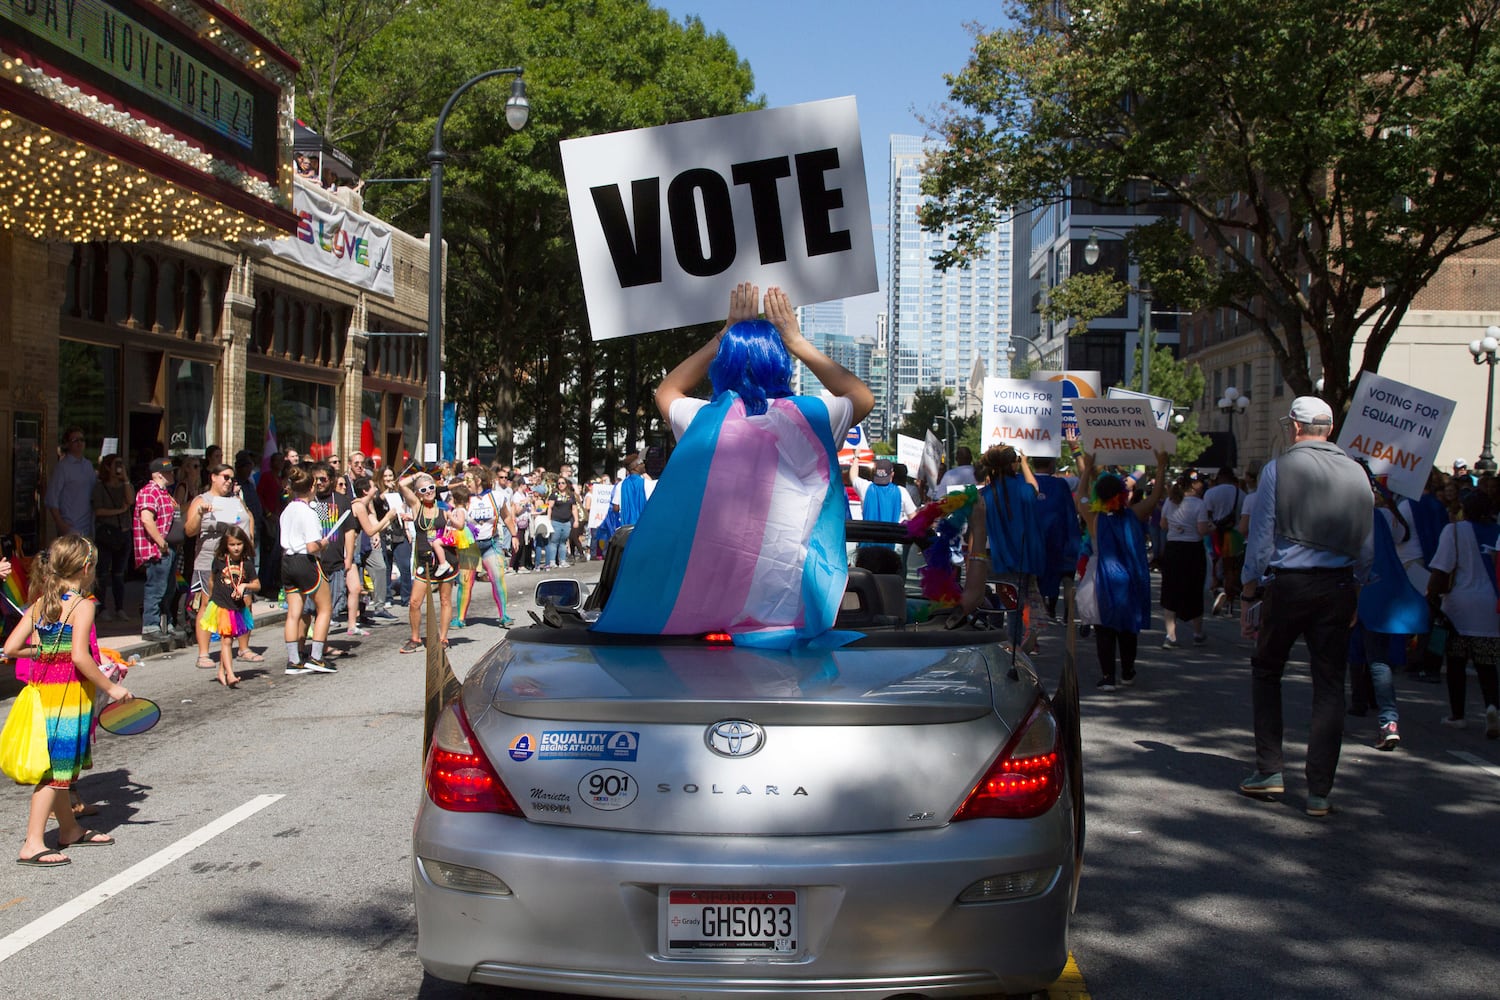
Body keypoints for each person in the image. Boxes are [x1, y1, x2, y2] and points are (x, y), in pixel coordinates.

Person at [593, 282, 874, 638]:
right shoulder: (814, 418)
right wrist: (797, 341)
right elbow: (862, 396)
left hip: (702, 623)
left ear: (724, 364)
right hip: (789, 622)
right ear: (780, 363)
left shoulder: (704, 422)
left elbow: (666, 390)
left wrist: (722, 335)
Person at [1239, 396, 1374, 817]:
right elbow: (1367, 545)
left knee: (1267, 670)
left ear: (1295, 427)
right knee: (1330, 685)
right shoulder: (1357, 472)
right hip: (1337, 586)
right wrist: (1358, 589)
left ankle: (1270, 769)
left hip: (1290, 585)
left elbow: (1261, 539)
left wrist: (1248, 593)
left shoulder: (1278, 468)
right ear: (1329, 429)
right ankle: (1319, 789)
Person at [3, 535, 133, 867]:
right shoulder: (82, 605)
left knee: (59, 768)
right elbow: (81, 656)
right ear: (87, 567)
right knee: (54, 772)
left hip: (42, 694)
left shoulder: (41, 603)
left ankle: (70, 829)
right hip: (68, 697)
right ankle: (32, 843)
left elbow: (11, 648)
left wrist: (46, 650)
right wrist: (113, 689)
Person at [1074, 439, 1170, 689]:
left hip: (1102, 579)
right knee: (1128, 627)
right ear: (1122, 493)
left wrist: (1087, 468)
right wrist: (1160, 467)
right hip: (1130, 578)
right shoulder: (1135, 514)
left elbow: (1081, 497)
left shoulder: (1094, 519)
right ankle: (1128, 671)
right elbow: (1157, 495)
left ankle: (1108, 677)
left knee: (1104, 627)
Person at [1430, 490, 1500, 738]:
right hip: (1491, 608)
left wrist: (1430, 598)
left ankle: (1457, 715)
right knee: (1487, 665)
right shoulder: (1498, 532)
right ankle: (1492, 707)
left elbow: (1441, 569)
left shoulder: (1455, 531)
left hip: (1458, 608)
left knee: (1456, 663)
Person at [186, 463, 257, 667]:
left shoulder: (236, 500)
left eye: (231, 478)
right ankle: (204, 654)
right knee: (208, 605)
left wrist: (250, 538)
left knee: (244, 602)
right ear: (213, 477)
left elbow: (249, 516)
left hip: (237, 562)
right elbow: (189, 531)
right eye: (225, 477)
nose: (228, 481)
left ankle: (244, 648)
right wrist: (200, 513)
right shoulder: (202, 500)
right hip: (209, 560)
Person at [980, 445, 1045, 650]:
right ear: (1013, 464)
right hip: (1022, 556)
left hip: (995, 556)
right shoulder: (1023, 490)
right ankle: (1015, 648)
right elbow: (1034, 488)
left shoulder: (983, 495)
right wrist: (1026, 464)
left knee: (1001, 602)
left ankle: (999, 643)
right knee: (1017, 605)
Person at [278, 466, 335, 675]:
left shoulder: (287, 510)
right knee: (324, 608)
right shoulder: (308, 512)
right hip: (306, 560)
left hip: (287, 560)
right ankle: (316, 657)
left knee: (293, 613)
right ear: (312, 487)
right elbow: (312, 546)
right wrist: (324, 543)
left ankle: (294, 660)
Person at [398, 472, 457, 653]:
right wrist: (419, 474)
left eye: (431, 487)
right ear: (418, 493)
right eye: (424, 489)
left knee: (445, 600)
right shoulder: (417, 506)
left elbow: (459, 526)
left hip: (445, 560)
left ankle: (443, 638)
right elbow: (401, 485)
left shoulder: (444, 509)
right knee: (415, 602)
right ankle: (415, 638)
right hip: (424, 561)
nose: (429, 491)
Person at [196, 525, 259, 688]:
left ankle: (221, 672)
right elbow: (211, 579)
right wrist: (210, 598)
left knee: (230, 638)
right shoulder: (219, 561)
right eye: (232, 544)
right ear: (226, 545)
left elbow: (257, 584)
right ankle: (230, 674)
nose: (236, 548)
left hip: (237, 606)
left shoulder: (247, 564)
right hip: (221, 605)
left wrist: (245, 587)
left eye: (239, 544)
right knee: (227, 639)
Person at [1159, 474, 1210, 647]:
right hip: (1192, 549)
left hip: (1173, 548)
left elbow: (1163, 525)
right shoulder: (1199, 504)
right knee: (1194, 588)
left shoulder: (1170, 501)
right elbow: (1202, 529)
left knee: (1170, 589)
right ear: (1194, 485)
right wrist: (1211, 527)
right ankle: (1197, 632)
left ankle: (1170, 635)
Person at [1030, 455, 1082, 622]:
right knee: (1066, 578)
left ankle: (1042, 613)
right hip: (1058, 540)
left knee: (1036, 580)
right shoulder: (1060, 485)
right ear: (1052, 464)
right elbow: (1069, 513)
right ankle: (1068, 614)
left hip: (1034, 541)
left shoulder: (1025, 483)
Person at [134, 458, 178, 641]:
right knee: (156, 588)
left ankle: (165, 623)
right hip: (156, 549)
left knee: (168, 588)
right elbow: (146, 519)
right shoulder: (148, 492)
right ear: (159, 474)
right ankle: (150, 626)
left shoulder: (164, 492)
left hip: (167, 547)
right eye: (169, 471)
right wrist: (161, 542)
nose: (173, 474)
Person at [91, 453, 134, 622]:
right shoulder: (100, 486)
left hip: (123, 532)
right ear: (108, 467)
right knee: (102, 573)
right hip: (106, 533)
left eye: (121, 464)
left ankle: (120, 607)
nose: (119, 467)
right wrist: (119, 511)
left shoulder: (124, 485)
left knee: (118, 573)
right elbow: (98, 511)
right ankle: (102, 608)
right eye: (116, 464)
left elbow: (130, 500)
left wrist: (125, 479)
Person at [1203, 467, 1246, 616]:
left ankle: (1216, 589)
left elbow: (1207, 514)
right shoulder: (1241, 494)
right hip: (1234, 534)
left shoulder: (1211, 493)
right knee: (1231, 568)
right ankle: (1230, 601)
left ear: (1219, 478)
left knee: (1214, 564)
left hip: (1214, 534)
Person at [45, 426, 95, 540]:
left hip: (89, 526)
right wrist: (61, 524)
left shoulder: (88, 465)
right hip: (70, 526)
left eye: (82, 440)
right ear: (67, 444)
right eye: (75, 440)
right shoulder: (62, 467)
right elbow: (51, 499)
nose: (79, 443)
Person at [851, 456, 916, 529]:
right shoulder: (902, 492)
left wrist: (856, 457)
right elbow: (913, 518)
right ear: (892, 474)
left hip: (868, 538)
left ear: (875, 473)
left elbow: (853, 476)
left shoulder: (865, 488)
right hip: (892, 539)